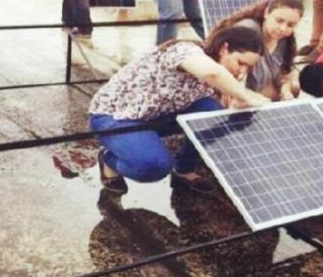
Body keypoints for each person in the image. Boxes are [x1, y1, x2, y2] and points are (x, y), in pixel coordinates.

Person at [89, 26, 269, 194]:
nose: (242, 71)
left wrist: (247, 103)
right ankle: (109, 160)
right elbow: (211, 73)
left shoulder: (224, 72)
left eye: (248, 67)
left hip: (156, 115)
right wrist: (246, 97)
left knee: (212, 111)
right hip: (115, 117)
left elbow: (228, 102)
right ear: (224, 48)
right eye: (240, 62)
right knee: (154, 166)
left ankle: (184, 170)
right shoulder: (185, 50)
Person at [211, 0, 303, 100]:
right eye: (279, 20)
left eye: (290, 25)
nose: (283, 28)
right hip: (236, 88)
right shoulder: (248, 31)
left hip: (264, 86)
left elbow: (286, 74)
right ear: (267, 13)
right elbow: (228, 79)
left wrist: (285, 90)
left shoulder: (285, 39)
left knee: (294, 88)